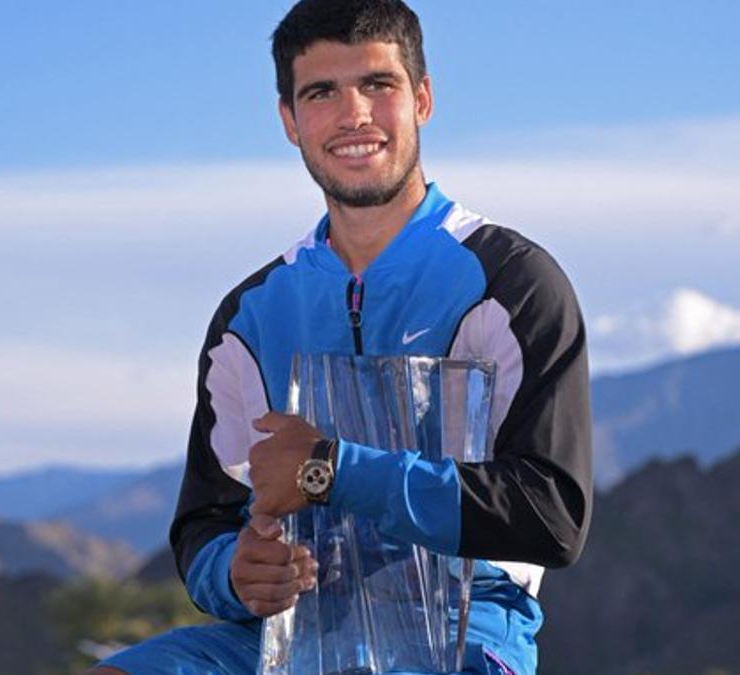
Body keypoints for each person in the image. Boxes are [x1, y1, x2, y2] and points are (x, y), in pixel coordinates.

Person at [88, 0, 591, 673]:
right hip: (288, 637)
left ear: (422, 99)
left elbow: (552, 515)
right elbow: (205, 523)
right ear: (290, 121)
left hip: (463, 632)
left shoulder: (510, 281)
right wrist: (236, 574)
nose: (353, 115)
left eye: (377, 86)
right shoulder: (251, 316)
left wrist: (334, 470)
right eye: (322, 92)